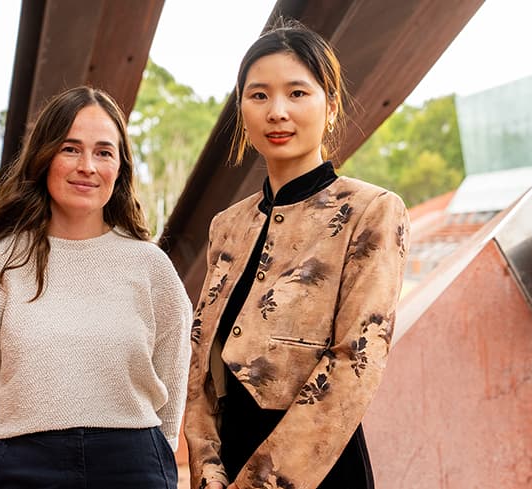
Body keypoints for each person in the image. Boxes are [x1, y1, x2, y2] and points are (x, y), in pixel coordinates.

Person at [184, 22, 410, 489]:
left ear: (330, 107)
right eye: (259, 95)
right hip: (226, 466)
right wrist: (208, 472)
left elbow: (355, 362)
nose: (277, 112)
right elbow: (200, 366)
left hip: (319, 470)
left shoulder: (371, 211)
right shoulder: (226, 227)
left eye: (297, 93)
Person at [0, 86, 192, 489]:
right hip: (22, 467)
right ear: (44, 158)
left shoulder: (150, 266)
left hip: (133, 466)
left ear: (120, 168)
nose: (87, 166)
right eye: (70, 149)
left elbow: (174, 365)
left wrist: (158, 449)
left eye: (104, 152)